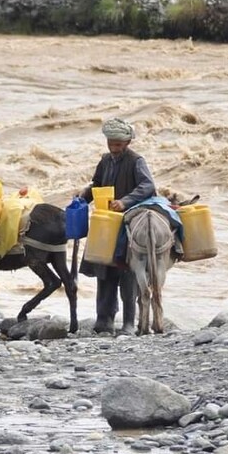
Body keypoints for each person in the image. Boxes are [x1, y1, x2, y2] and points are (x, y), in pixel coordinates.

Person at [79, 118, 156, 336]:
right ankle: (104, 320)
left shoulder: (136, 161)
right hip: (105, 222)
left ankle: (129, 323)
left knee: (128, 271)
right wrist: (82, 199)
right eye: (110, 144)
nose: (114, 148)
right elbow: (97, 185)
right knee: (104, 270)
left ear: (128, 142)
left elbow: (148, 185)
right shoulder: (105, 161)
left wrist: (125, 201)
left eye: (118, 145)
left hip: (128, 222)